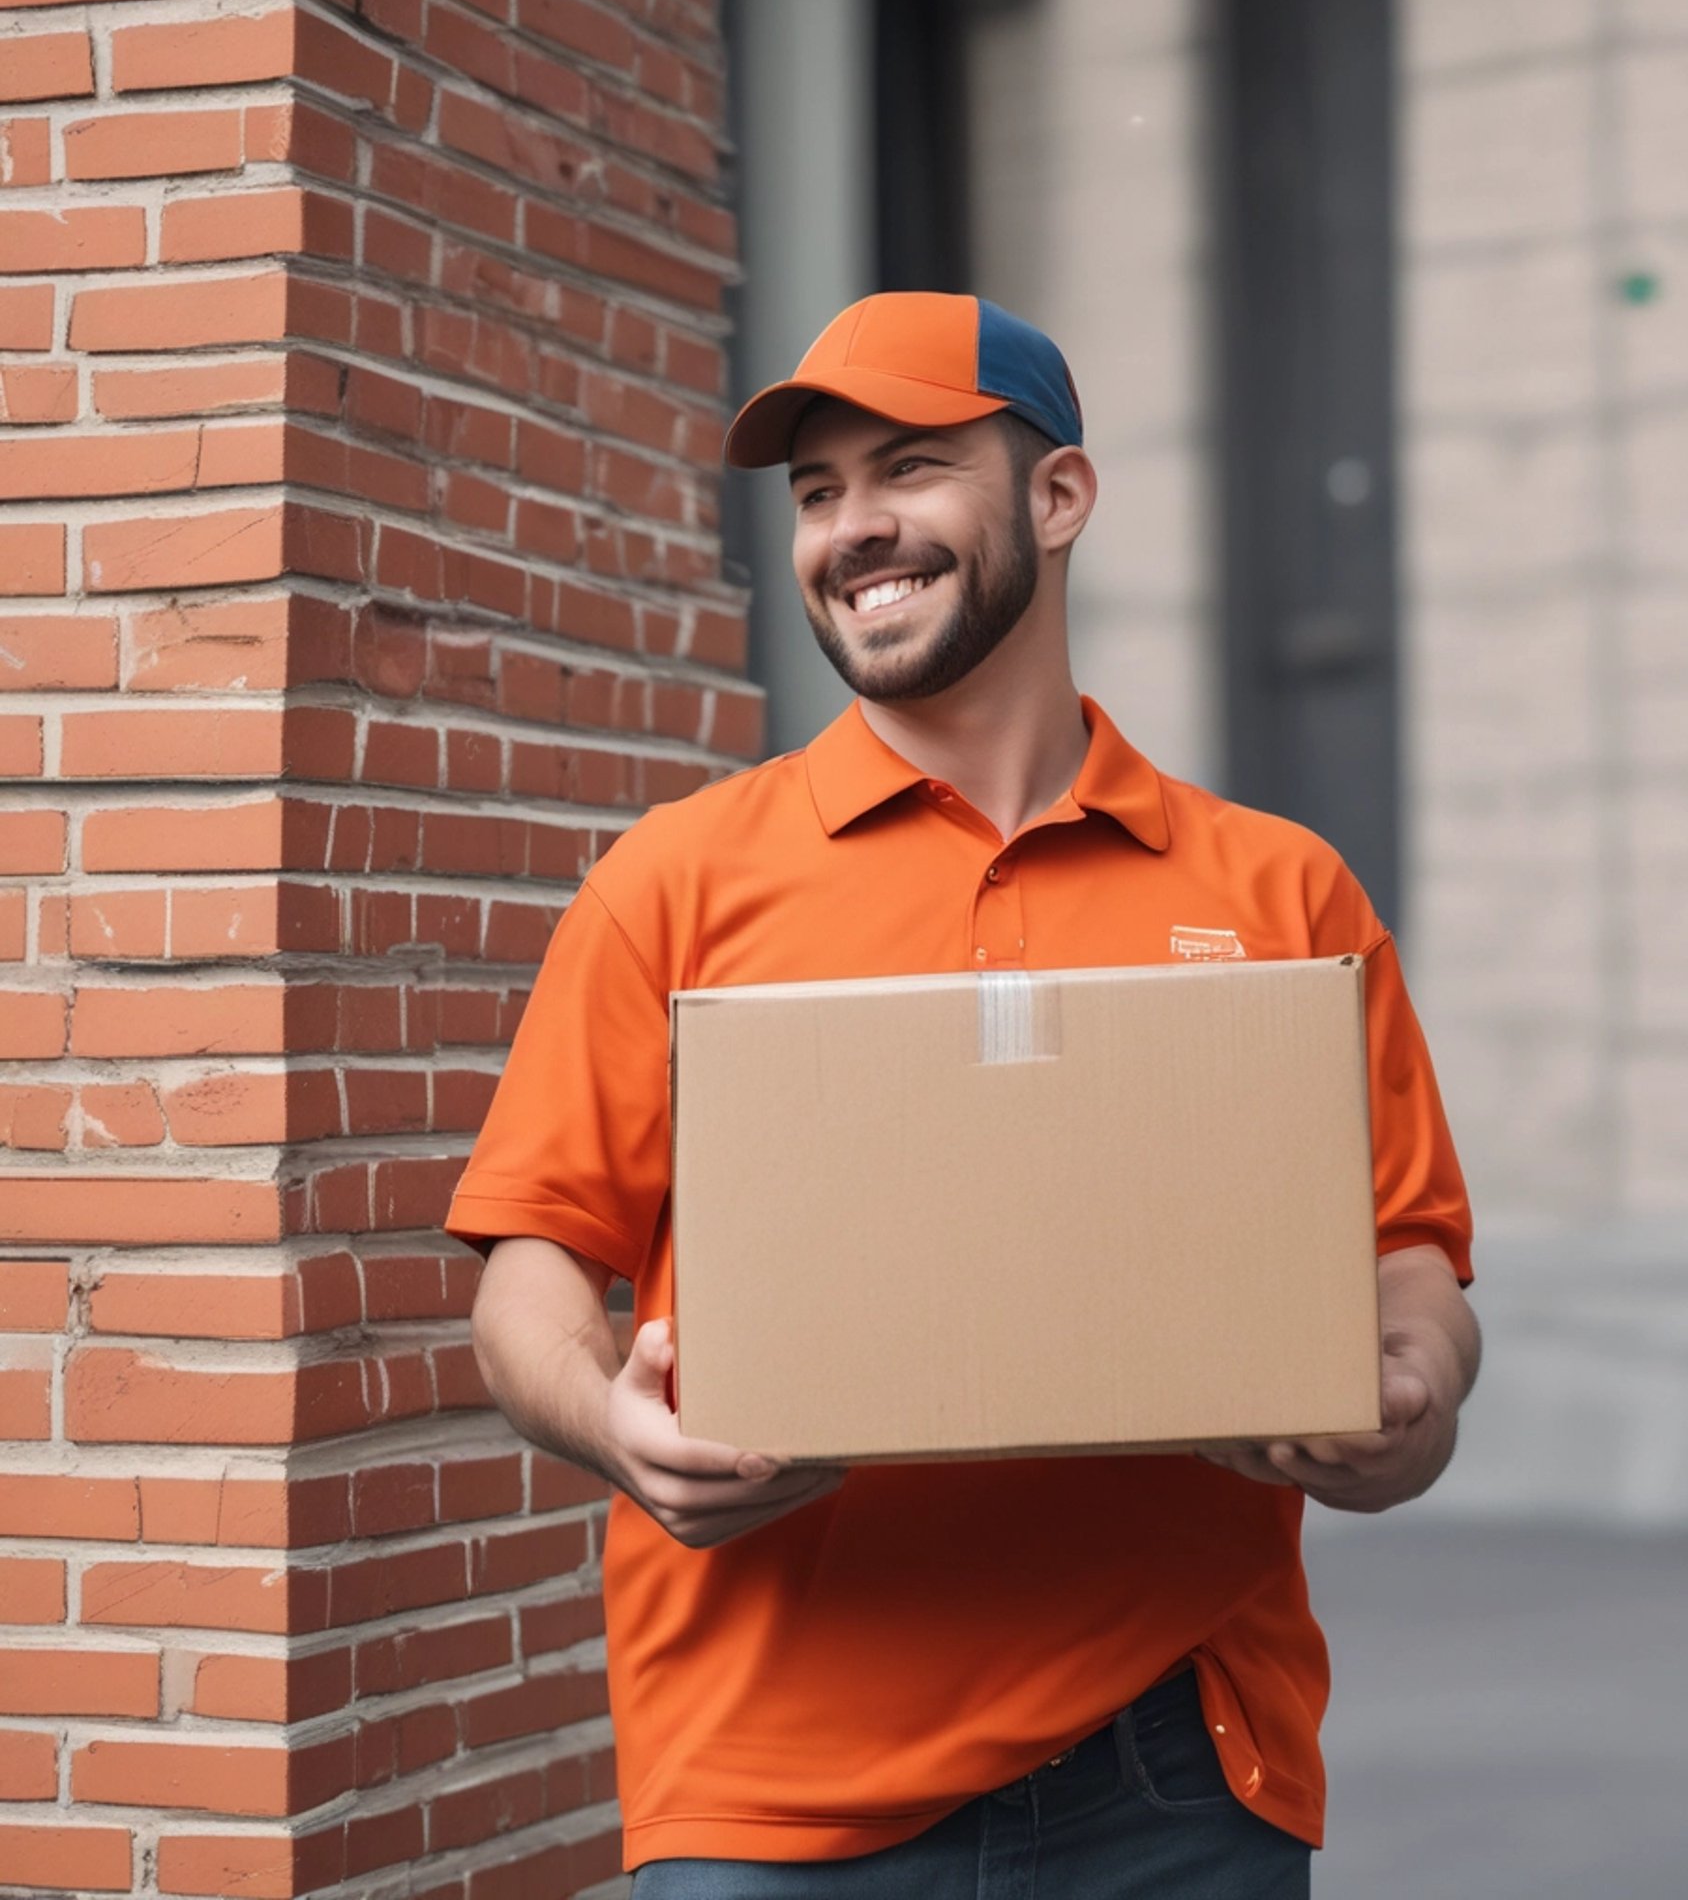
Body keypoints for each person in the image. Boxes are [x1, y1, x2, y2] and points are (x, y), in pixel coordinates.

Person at [446, 291, 1479, 1899]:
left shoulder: (1282, 892)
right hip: (768, 1784)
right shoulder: (675, 883)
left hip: (1179, 1772)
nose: (852, 530)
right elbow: (530, 1276)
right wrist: (614, 1426)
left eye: (909, 471)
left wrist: (1407, 1400)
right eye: (816, 493)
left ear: (1057, 499)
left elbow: (1409, 1255)